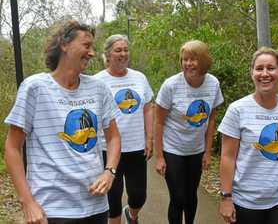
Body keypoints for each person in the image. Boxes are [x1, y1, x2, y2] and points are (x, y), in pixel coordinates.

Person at [4, 20, 121, 224]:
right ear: (64, 45)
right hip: (52, 208)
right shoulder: (35, 88)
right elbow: (12, 148)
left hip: (95, 205)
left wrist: (109, 172)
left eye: (92, 47)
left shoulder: (98, 88)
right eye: (86, 45)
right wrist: (28, 202)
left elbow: (113, 137)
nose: (92, 52)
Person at [218, 47, 278, 224]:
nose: (265, 73)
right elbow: (228, 157)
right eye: (259, 68)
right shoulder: (237, 110)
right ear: (252, 73)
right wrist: (226, 198)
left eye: (271, 68)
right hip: (246, 201)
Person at [155, 40, 223, 224]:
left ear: (203, 61)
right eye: (184, 59)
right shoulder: (171, 85)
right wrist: (159, 156)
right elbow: (159, 122)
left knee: (191, 195)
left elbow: (211, 120)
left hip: (196, 149)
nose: (188, 64)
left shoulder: (213, 84)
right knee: (178, 197)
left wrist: (208, 153)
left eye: (193, 59)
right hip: (173, 149)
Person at [94, 34, 154, 224]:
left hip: (136, 147)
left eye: (126, 50)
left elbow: (147, 108)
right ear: (108, 55)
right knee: (112, 199)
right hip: (108, 149)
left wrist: (149, 138)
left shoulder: (139, 77)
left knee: (139, 195)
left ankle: (132, 214)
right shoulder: (97, 81)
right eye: (118, 50)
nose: (123, 54)